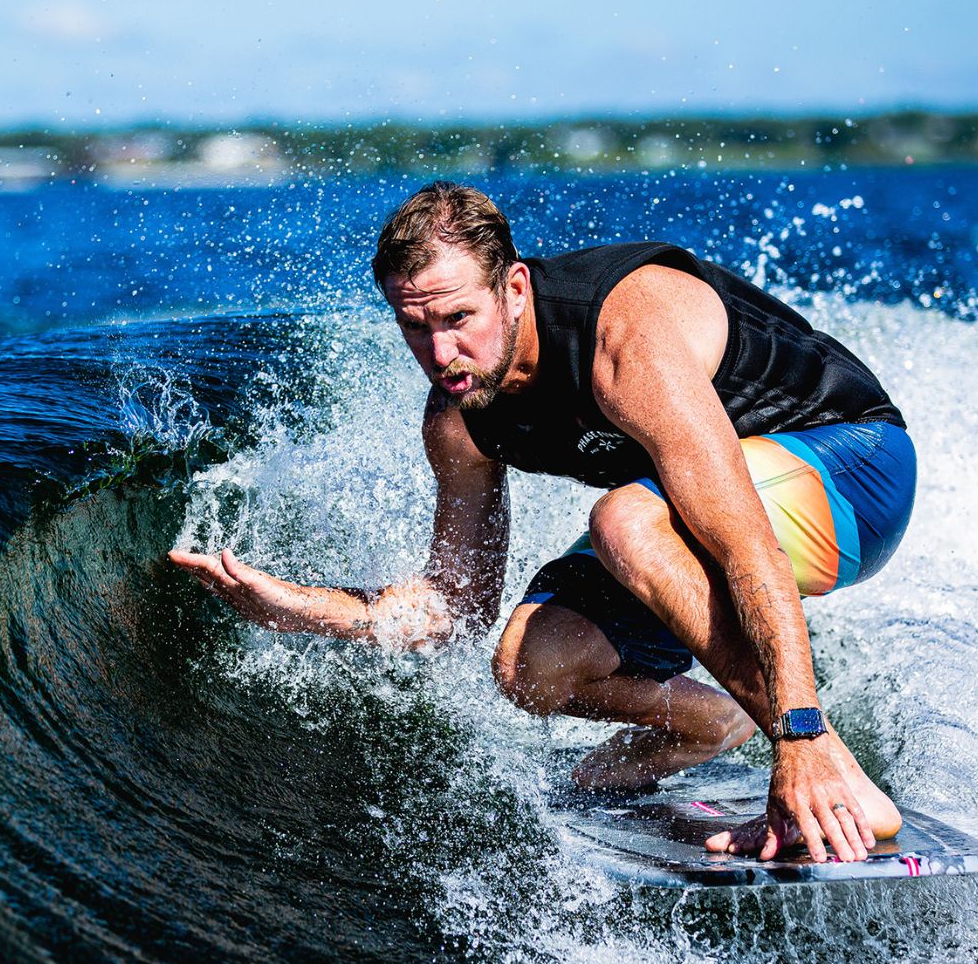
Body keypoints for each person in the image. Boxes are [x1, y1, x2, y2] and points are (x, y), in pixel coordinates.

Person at [170, 181, 916, 865]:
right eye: (414, 326)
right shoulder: (461, 415)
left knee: (624, 520)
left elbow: (746, 546)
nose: (441, 353)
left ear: (515, 288)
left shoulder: (624, 342)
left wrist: (800, 737)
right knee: (530, 665)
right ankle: (715, 723)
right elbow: (454, 609)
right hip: (716, 514)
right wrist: (295, 608)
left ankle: (831, 769)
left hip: (855, 471)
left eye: (459, 317)